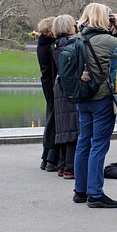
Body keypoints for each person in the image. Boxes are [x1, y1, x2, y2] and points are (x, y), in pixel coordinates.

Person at [72, 3, 117, 208]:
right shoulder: (109, 41)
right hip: (101, 98)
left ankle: (80, 190)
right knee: (99, 145)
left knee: (83, 141)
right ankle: (95, 193)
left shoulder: (76, 39)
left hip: (82, 98)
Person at [51, 14, 79, 180]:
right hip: (69, 88)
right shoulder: (71, 44)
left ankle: (62, 165)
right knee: (72, 128)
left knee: (63, 128)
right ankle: (70, 166)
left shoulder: (55, 45)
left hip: (59, 88)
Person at [35, 17, 58, 172]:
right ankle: (51, 157)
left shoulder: (42, 44)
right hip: (52, 84)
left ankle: (46, 156)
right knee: (54, 119)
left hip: (47, 83)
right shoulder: (50, 47)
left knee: (51, 116)